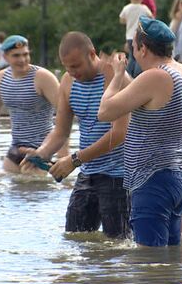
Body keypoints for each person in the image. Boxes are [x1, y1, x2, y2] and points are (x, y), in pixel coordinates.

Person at [98, 17, 182, 247]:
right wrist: (124, 76)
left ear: (143, 48)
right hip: (178, 177)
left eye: (133, 47)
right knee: (171, 258)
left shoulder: (156, 76)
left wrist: (115, 77)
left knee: (148, 263)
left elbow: (105, 111)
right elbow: (147, 98)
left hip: (152, 179)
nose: (132, 52)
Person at [21, 31, 131, 239]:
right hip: (87, 174)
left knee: (120, 246)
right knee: (75, 239)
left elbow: (119, 134)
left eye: (76, 66)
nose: (72, 72)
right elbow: (61, 131)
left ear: (92, 54)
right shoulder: (68, 81)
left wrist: (74, 160)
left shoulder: (115, 77)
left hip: (119, 177)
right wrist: (41, 153)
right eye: (66, 67)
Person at [0, 35, 65, 173]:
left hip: (43, 149)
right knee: (9, 189)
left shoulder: (43, 77)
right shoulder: (1, 78)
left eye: (25, 54)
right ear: (5, 57)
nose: (22, 60)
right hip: (16, 148)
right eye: (16, 56)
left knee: (37, 191)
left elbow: (64, 114)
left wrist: (63, 154)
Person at [120, 0, 152, 78]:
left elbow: (121, 20)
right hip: (140, 35)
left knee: (131, 56)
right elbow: (151, 18)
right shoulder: (144, 8)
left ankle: (127, 75)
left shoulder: (127, 8)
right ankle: (138, 75)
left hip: (129, 36)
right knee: (139, 57)